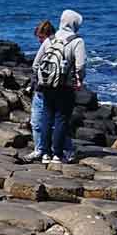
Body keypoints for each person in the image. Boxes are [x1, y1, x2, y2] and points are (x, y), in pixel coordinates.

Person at [32, 10, 86, 164]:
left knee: (47, 118)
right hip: (65, 86)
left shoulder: (50, 39)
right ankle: (57, 154)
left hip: (47, 86)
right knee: (61, 119)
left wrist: (44, 78)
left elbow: (36, 64)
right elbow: (80, 65)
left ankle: (45, 154)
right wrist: (78, 80)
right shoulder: (77, 41)